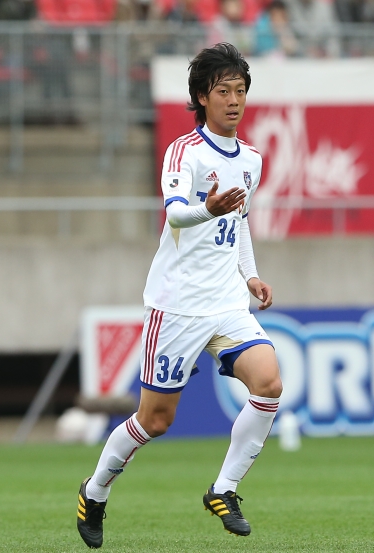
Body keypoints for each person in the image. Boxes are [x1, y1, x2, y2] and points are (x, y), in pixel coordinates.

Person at [77, 42, 282, 549]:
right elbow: (174, 214)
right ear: (201, 97)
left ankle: (224, 489)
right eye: (223, 91)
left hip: (227, 302)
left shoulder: (252, 160)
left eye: (240, 91)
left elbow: (240, 221)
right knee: (155, 420)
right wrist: (208, 208)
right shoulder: (184, 152)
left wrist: (251, 275)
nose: (234, 100)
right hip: (178, 304)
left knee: (269, 383)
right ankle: (95, 490)